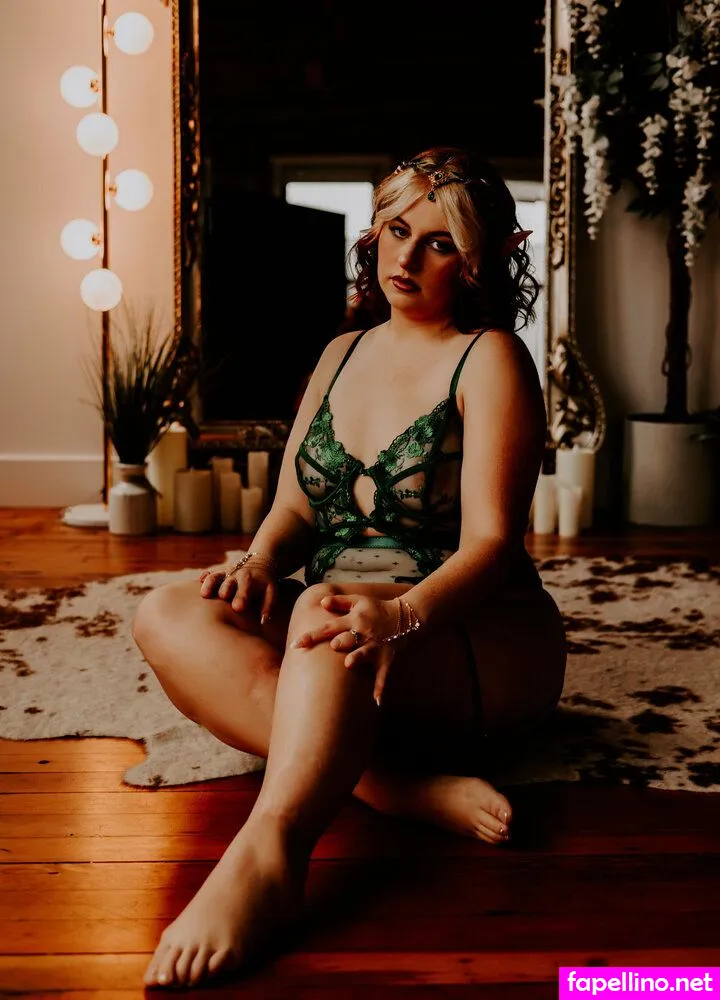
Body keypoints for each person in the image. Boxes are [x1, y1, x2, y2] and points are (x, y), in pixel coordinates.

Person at [133, 146, 568, 990]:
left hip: (474, 638)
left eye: (439, 243)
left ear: (479, 260)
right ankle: (395, 789)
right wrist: (260, 563)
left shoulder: (490, 358)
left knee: (321, 613)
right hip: (340, 626)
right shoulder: (340, 352)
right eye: (397, 231)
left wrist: (398, 617)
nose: (406, 258)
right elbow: (295, 510)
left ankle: (271, 853)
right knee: (168, 613)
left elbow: (492, 546)